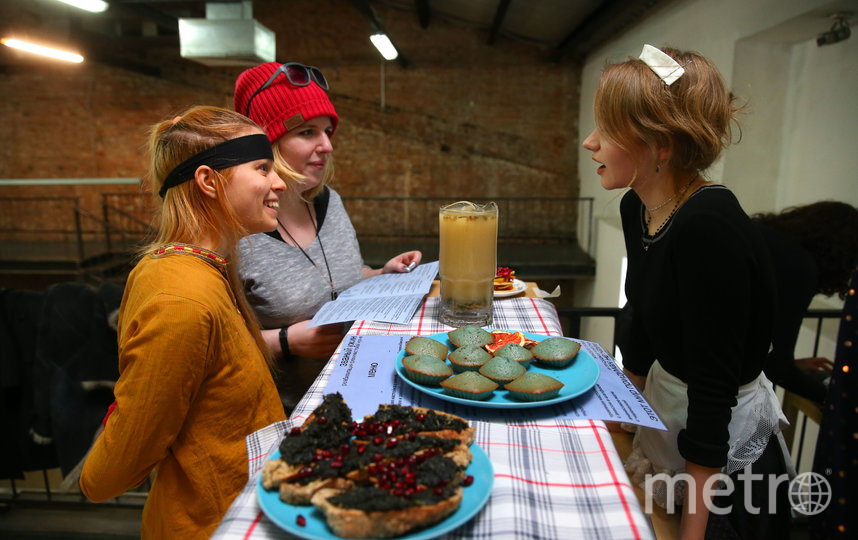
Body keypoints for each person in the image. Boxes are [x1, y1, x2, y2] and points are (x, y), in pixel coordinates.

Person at [583, 45, 789, 539]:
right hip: (667, 421)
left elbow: (713, 391)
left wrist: (692, 533)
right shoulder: (639, 206)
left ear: (662, 146)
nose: (590, 143)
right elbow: (643, 323)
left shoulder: (708, 226)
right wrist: (620, 426)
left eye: (608, 130)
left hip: (723, 465)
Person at [80, 106, 287, 538]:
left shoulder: (205, 269)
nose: (279, 182)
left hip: (249, 507)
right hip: (211, 526)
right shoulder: (181, 299)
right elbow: (107, 475)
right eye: (262, 168)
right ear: (209, 182)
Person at [233, 62, 421, 411]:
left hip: (358, 387)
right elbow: (213, 345)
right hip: (289, 408)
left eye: (327, 131)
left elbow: (336, 276)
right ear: (267, 144)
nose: (327, 145)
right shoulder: (237, 232)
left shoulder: (328, 201)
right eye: (307, 132)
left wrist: (380, 273)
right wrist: (286, 341)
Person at [753, 201, 858, 405]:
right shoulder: (798, 267)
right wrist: (835, 401)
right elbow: (777, 368)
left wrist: (790, 364)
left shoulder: (763, 237)